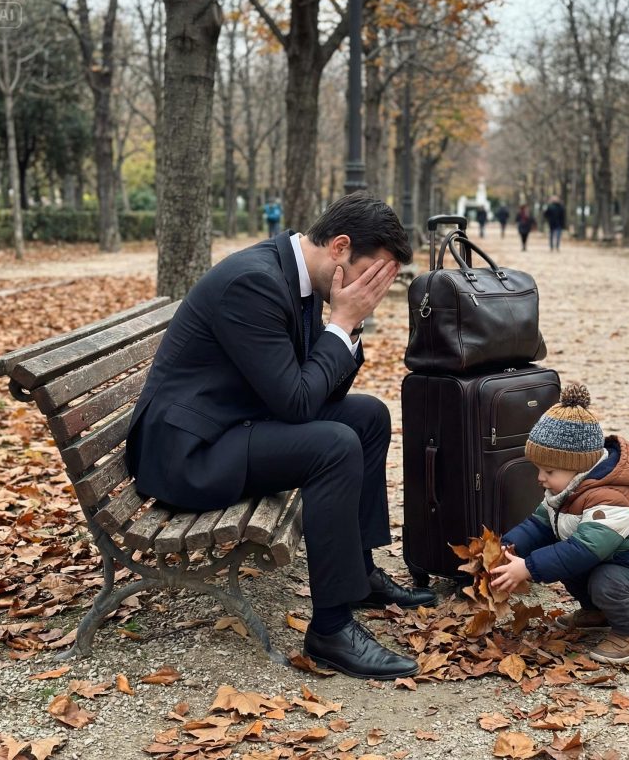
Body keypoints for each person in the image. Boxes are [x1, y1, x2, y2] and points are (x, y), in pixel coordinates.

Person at [126, 191, 436, 680]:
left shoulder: (301, 279)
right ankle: (331, 629)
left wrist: (344, 328)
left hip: (235, 423)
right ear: (339, 247)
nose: (371, 294)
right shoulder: (254, 283)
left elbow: (321, 392)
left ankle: (361, 574)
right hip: (187, 454)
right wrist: (343, 323)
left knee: (368, 417)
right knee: (333, 447)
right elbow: (297, 403)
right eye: (371, 276)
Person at [489, 383, 629, 665]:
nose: (540, 478)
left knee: (592, 571)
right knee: (562, 556)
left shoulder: (612, 498)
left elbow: (585, 550)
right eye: (538, 470)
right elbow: (538, 526)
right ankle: (598, 612)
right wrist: (506, 546)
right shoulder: (565, 490)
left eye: (549, 471)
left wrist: (529, 567)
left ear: (578, 468)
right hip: (613, 561)